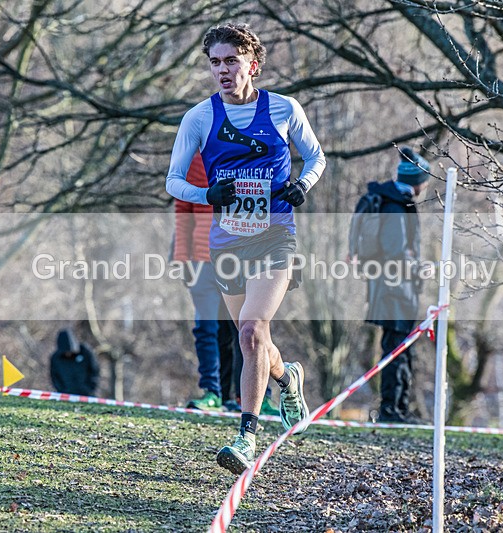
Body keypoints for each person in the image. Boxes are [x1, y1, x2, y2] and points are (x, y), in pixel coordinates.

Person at [166, 23, 325, 474]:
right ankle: (287, 377)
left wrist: (303, 186)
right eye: (215, 62)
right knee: (253, 338)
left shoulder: (283, 109)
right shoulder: (199, 117)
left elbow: (316, 157)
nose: (222, 70)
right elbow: (173, 180)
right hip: (227, 240)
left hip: (276, 235)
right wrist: (207, 195)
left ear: (251, 64)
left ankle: (246, 436)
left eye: (230, 61)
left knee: (252, 330)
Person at [351, 147, 429, 423]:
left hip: (395, 286)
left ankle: (400, 408)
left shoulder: (396, 200)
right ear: (417, 180)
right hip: (394, 287)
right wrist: (421, 268)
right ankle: (391, 410)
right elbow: (396, 252)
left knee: (401, 348)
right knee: (396, 349)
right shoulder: (396, 205)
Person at [173, 154, 242, 412]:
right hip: (202, 259)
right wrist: (182, 257)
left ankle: (249, 397)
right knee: (206, 328)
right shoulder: (192, 161)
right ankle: (211, 392)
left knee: (244, 329)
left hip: (240, 257)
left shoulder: (245, 153)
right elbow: (183, 211)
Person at [50, 328, 100, 396]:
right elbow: (54, 376)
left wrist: (90, 388)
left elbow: (94, 370)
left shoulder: (85, 352)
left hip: (87, 394)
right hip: (66, 394)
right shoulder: (56, 358)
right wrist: (61, 389)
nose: (68, 354)